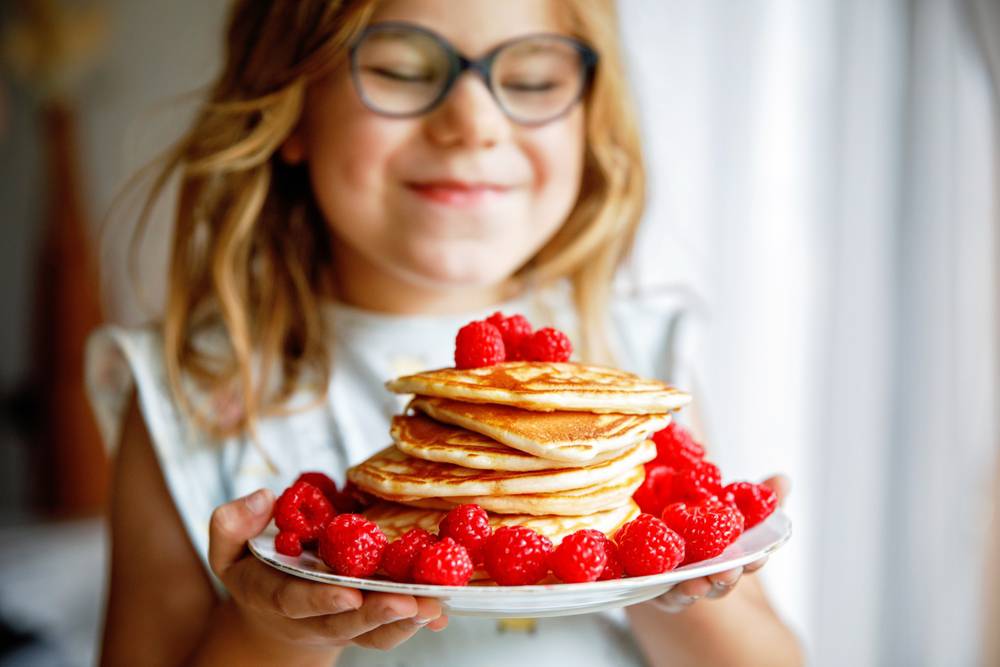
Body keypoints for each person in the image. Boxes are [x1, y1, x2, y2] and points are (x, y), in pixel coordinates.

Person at [85, 1, 803, 665]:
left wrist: (675, 573)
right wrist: (270, 630)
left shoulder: (631, 367)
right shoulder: (190, 394)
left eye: (530, 79)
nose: (474, 122)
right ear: (293, 103)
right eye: (400, 71)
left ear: (590, 118)